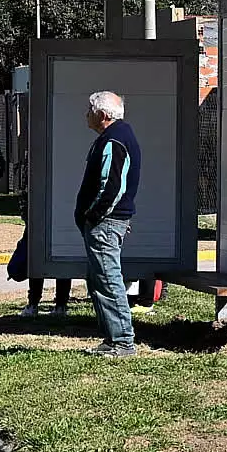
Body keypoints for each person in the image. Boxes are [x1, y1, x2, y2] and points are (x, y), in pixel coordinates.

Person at [75, 91, 141, 358]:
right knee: (99, 280)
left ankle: (123, 342)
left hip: (105, 223)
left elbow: (112, 187)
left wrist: (92, 216)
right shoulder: (115, 137)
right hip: (108, 222)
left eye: (90, 110)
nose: (86, 114)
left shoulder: (115, 140)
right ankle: (112, 339)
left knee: (109, 279)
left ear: (102, 115)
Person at [11, 186, 72, 317]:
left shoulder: (32, 174)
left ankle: (33, 304)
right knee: (61, 259)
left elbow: (25, 195)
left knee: (36, 260)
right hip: (61, 217)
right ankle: (61, 305)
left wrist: (28, 218)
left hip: (37, 218)